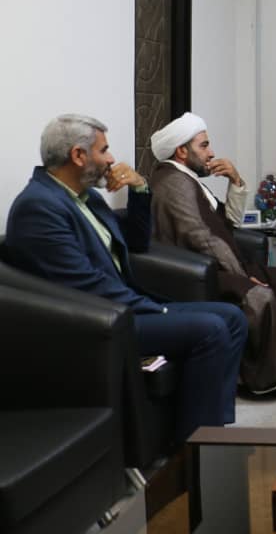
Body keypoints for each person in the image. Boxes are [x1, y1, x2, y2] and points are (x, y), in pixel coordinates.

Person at [5, 114, 247, 439]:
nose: (111, 159)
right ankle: (195, 446)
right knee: (211, 328)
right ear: (78, 155)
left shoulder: (86, 197)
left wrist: (140, 187)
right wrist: (156, 309)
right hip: (99, 320)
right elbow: (86, 286)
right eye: (104, 150)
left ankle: (214, 428)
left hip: (126, 306)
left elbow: (135, 240)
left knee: (233, 317)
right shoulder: (38, 207)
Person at [149, 112, 276, 395]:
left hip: (218, 265)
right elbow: (202, 237)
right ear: (182, 151)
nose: (211, 153)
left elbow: (228, 222)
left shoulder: (186, 178)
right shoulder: (173, 183)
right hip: (196, 274)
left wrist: (235, 180)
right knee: (260, 296)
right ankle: (263, 380)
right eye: (204, 145)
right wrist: (242, 276)